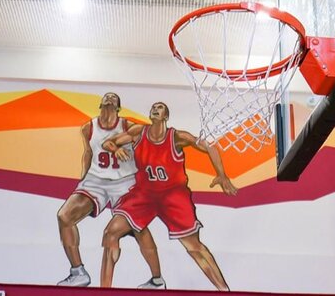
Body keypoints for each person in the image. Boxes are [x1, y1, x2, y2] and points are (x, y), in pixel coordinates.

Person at [100, 101, 238, 291]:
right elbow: (108, 143)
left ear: (166, 116)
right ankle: (104, 290)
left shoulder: (177, 137)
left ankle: (224, 290)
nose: (155, 109)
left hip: (173, 196)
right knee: (110, 232)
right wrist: (116, 149)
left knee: (194, 246)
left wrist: (222, 175)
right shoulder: (138, 132)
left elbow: (210, 147)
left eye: (160, 108)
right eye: (153, 107)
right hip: (145, 194)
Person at [56, 92, 165, 289]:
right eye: (107, 97)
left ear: (118, 107)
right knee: (64, 216)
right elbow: (88, 153)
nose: (109, 98)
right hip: (96, 180)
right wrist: (82, 179)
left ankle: (157, 279)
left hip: (125, 181)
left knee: (139, 229)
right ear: (101, 104)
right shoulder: (88, 128)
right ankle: (78, 272)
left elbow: (147, 145)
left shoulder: (127, 127)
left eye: (114, 98)